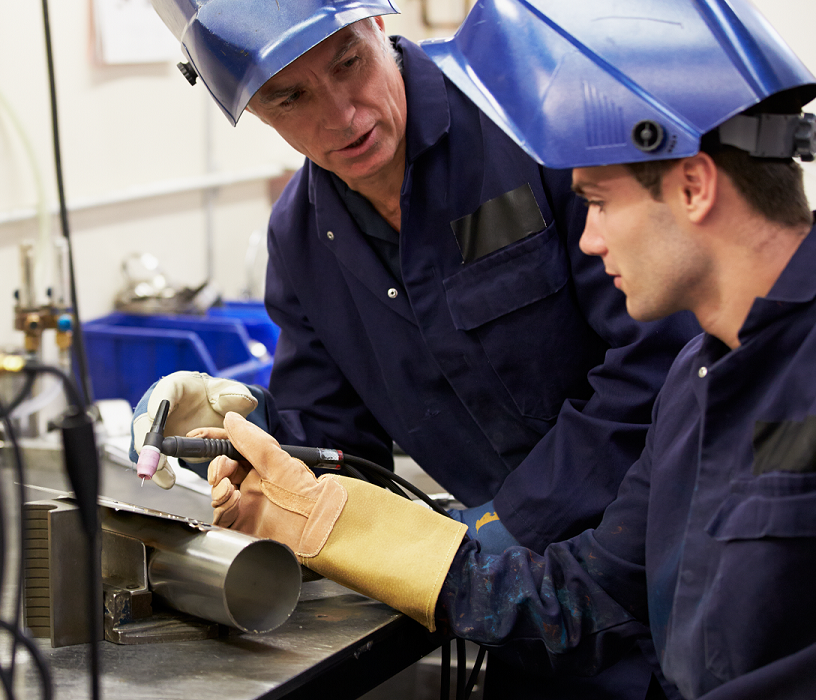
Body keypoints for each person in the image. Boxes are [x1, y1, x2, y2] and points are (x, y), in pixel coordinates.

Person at [200, 0, 816, 697]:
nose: (342, 114)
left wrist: (493, 529)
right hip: (562, 615)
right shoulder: (697, 389)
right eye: (292, 96)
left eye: (601, 204)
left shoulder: (525, 128)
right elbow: (580, 599)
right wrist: (265, 452)